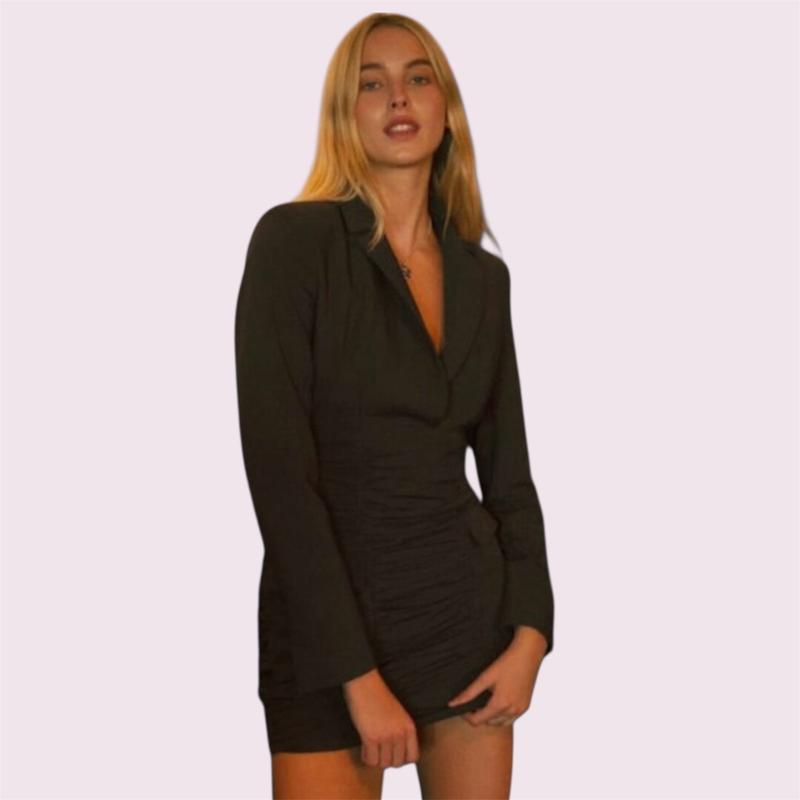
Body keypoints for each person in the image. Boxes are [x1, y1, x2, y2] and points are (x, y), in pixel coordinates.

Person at [234, 12, 555, 799]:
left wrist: (531, 634)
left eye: (418, 78)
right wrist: (357, 677)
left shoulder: (483, 279)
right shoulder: (293, 244)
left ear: (447, 107)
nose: (398, 97)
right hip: (326, 631)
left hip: (464, 621)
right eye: (370, 84)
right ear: (344, 114)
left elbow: (509, 475)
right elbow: (281, 479)